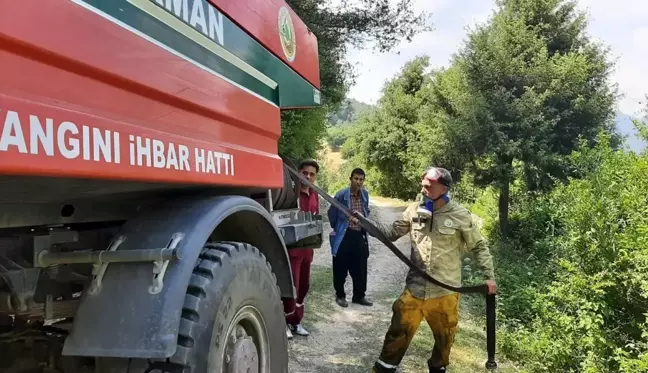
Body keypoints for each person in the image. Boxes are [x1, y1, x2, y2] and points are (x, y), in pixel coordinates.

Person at [364, 166, 497, 373]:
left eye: (429, 185)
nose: (423, 188)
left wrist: (489, 277)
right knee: (396, 336)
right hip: (415, 290)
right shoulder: (414, 210)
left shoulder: (461, 215)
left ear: (444, 188)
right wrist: (366, 223)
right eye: (423, 184)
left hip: (445, 293)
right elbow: (391, 233)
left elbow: (479, 246)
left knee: (445, 341)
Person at [283, 159, 320, 340]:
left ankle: (297, 321)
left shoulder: (315, 195)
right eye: (305, 173)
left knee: (304, 286)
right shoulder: (291, 194)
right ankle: (285, 323)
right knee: (293, 286)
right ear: (298, 173)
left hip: (308, 250)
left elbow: (316, 219)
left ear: (315, 177)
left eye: (312, 174)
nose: (308, 176)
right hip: (293, 250)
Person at [327, 168, 373, 308]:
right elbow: (332, 213)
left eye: (361, 179)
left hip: (359, 235)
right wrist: (338, 228)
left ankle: (359, 296)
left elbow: (366, 212)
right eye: (356, 179)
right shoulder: (341, 195)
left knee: (360, 267)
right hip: (344, 235)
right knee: (340, 266)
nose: (358, 182)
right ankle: (340, 296)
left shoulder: (364, 195)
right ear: (350, 179)